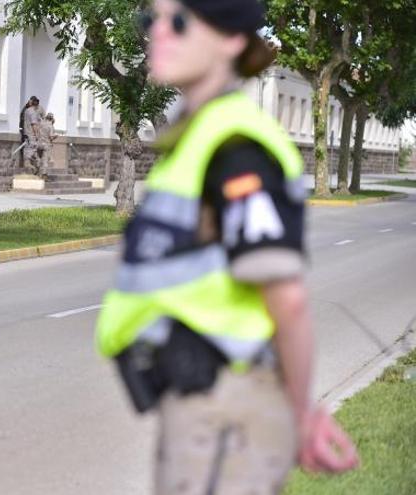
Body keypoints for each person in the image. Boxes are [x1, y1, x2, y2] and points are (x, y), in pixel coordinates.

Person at [94, 1, 359, 493]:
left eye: (178, 21)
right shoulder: (196, 138)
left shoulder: (237, 147)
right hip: (201, 408)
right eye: (150, 19)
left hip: (226, 413)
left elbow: (288, 298)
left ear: (233, 39)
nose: (158, 33)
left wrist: (302, 413)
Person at [21, 97, 45, 177]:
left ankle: (31, 169)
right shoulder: (33, 112)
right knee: (33, 154)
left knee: (29, 153)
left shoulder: (27, 111)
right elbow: (34, 125)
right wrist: (37, 135)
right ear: (37, 105)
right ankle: (34, 171)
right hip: (32, 136)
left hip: (26, 134)